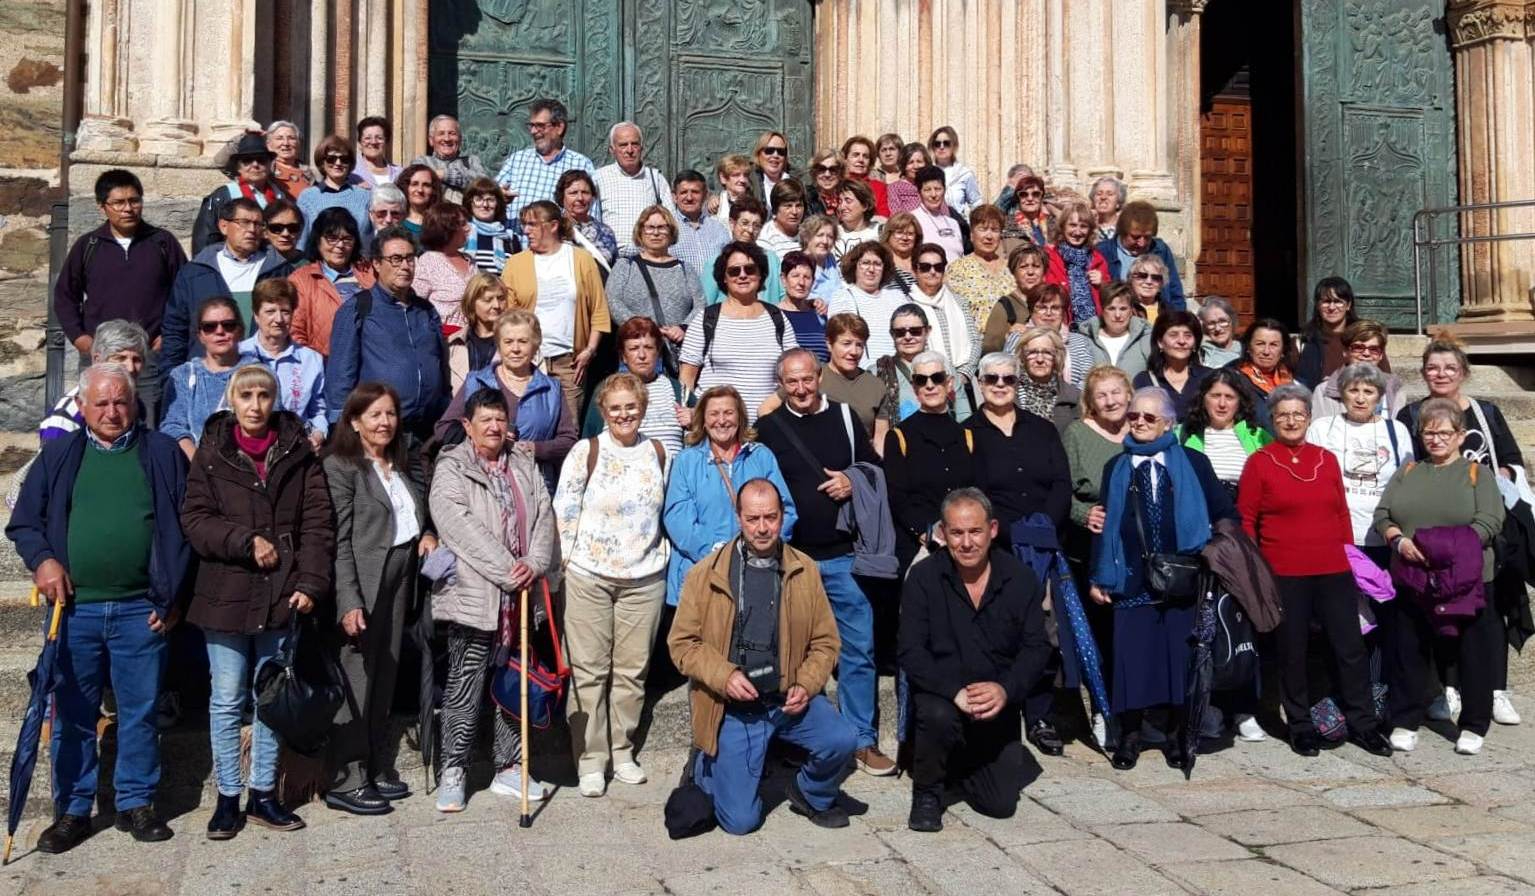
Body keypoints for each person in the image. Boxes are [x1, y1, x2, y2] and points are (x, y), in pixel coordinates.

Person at [6, 364, 189, 853]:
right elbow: (24, 524)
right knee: (72, 714)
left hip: (140, 610)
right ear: (83, 407)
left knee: (140, 711)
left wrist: (174, 597)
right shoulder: (59, 455)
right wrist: (43, 561)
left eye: (120, 401)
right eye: (101, 403)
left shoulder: (162, 453)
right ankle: (72, 811)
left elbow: (186, 528)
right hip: (74, 611)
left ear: (135, 404)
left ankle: (136, 803)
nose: (112, 411)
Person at [181, 365, 332, 836]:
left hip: (282, 591)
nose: (254, 405)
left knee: (270, 697)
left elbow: (317, 522)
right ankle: (228, 795)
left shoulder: (297, 451)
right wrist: (244, 541)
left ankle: (263, 793)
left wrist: (310, 582)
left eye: (263, 395)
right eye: (245, 395)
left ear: (274, 400)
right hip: (225, 591)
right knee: (227, 698)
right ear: (232, 400)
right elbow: (196, 519)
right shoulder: (212, 451)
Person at [668, 478, 856, 834]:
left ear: (782, 516)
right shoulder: (705, 574)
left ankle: (810, 793)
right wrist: (724, 676)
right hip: (735, 708)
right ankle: (705, 766)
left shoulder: (804, 570)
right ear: (738, 517)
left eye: (770, 517)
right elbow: (682, 644)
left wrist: (807, 683)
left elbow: (826, 642)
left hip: (788, 701)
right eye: (753, 519)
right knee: (740, 822)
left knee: (843, 740)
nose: (762, 527)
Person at [755, 348, 894, 775]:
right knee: (791, 652)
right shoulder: (768, 428)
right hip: (792, 559)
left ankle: (862, 740)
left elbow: (874, 467)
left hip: (844, 555)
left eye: (807, 379)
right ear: (781, 385)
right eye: (791, 382)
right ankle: (798, 738)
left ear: (819, 377)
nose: (800, 389)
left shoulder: (846, 417)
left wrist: (851, 480)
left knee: (858, 650)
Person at [1237, 384, 1394, 758]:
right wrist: (1257, 571)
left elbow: (1341, 513)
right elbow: (1247, 520)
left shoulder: (1325, 459)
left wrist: (1349, 560)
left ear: (1309, 417)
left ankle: (1363, 723)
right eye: (1283, 415)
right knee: (1293, 651)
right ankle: (1300, 725)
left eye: (1298, 414)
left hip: (1333, 569)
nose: (1291, 420)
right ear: (1273, 420)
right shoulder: (1260, 462)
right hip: (1285, 573)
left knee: (1349, 648)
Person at [1088, 387, 1238, 770]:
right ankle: (1130, 735)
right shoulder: (1116, 466)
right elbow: (1105, 525)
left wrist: (1214, 552)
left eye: (1148, 417)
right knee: (1131, 658)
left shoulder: (1193, 462)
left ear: (1168, 423)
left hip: (1182, 578)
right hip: (1131, 576)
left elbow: (1224, 512)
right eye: (1133, 416)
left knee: (1177, 657)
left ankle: (1175, 735)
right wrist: (1099, 576)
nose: (1139, 422)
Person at [428, 387, 555, 811]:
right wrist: (508, 570)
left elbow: (544, 515)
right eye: (485, 419)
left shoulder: (522, 462)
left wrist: (535, 562)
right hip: (475, 593)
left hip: (520, 597)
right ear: (468, 425)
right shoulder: (453, 466)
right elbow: (457, 526)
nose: (494, 427)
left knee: (513, 681)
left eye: (500, 419)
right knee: (465, 684)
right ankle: (454, 768)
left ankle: (510, 765)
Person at [901, 488, 1049, 831]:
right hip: (944, 696)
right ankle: (927, 791)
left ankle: (958, 763)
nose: (967, 543)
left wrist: (1005, 690)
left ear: (992, 530)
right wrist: (954, 691)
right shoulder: (923, 578)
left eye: (975, 531)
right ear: (943, 533)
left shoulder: (1020, 579)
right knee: (936, 715)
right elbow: (910, 650)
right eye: (957, 533)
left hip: (996, 701)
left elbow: (1036, 648)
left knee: (999, 805)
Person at [554, 373, 672, 797]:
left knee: (632, 671)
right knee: (589, 672)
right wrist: (566, 565)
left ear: (642, 408)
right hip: (589, 576)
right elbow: (564, 510)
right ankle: (590, 759)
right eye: (615, 407)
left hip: (644, 578)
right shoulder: (585, 451)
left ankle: (622, 750)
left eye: (631, 406)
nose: (624, 414)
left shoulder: (658, 453)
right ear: (603, 411)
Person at [1375, 398, 1507, 756]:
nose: (1436, 439)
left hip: (1466, 580)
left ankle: (1474, 725)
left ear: (1461, 435)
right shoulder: (1408, 471)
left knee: (1472, 653)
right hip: (1413, 575)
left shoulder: (1477, 474)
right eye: (1429, 433)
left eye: (1444, 433)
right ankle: (1405, 720)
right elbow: (1383, 514)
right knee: (1410, 650)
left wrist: (1442, 549)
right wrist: (1398, 541)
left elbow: (1489, 522)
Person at [964, 350, 1072, 755]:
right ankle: (1002, 715)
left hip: (1044, 546)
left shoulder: (1042, 429)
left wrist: (1043, 528)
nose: (1000, 386)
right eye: (991, 379)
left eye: (1008, 379)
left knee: (1042, 633)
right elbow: (973, 494)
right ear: (979, 383)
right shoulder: (968, 433)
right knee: (1000, 633)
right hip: (999, 547)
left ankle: (1041, 714)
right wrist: (1011, 533)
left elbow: (1061, 482)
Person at [54, 169, 187, 422]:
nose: (128, 209)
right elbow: (64, 296)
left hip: (147, 358)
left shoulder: (162, 243)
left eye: (134, 201)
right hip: (101, 357)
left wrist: (166, 336)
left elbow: (183, 295)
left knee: (148, 421)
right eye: (118, 203)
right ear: (102, 207)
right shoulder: (88, 246)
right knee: (103, 417)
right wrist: (81, 339)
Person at [664, 385, 797, 606]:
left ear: (740, 417)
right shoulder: (686, 461)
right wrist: (721, 554)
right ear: (703, 420)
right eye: (714, 414)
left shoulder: (761, 457)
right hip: (701, 572)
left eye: (728, 413)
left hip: (756, 573)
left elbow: (786, 510)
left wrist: (759, 550)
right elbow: (678, 520)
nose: (721, 420)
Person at [325, 227, 450, 443]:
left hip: (427, 433)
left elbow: (441, 365)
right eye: (396, 259)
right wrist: (343, 430)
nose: (405, 266)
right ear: (376, 263)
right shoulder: (358, 309)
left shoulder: (426, 310)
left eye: (410, 258)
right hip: (378, 435)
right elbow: (340, 377)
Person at [436, 309, 578, 493]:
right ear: (499, 345)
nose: (515, 349)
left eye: (523, 341)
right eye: (508, 342)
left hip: (535, 487)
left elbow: (568, 441)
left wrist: (532, 449)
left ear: (535, 346)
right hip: (482, 485)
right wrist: (485, 439)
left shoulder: (552, 389)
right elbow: (443, 429)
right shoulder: (477, 382)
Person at [501, 200, 611, 419]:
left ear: (553, 226)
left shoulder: (581, 259)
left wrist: (589, 350)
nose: (526, 231)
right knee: (529, 424)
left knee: (570, 427)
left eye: (533, 224)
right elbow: (508, 317)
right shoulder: (515, 264)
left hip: (570, 363)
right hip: (529, 360)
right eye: (525, 225)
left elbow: (598, 310)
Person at [163, 197, 290, 372]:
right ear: (223, 226)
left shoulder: (280, 271)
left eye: (258, 224)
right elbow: (175, 329)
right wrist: (171, 376)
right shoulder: (195, 273)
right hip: (208, 373)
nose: (252, 230)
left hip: (264, 374)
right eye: (244, 222)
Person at [679, 241, 797, 424]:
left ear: (760, 274)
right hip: (717, 428)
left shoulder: (778, 318)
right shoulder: (706, 319)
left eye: (750, 269)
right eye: (734, 271)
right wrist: (690, 411)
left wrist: (771, 407)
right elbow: (687, 376)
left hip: (766, 427)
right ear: (724, 278)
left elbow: (794, 372)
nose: (742, 275)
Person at [882, 352, 976, 569]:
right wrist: (926, 533)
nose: (930, 385)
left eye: (937, 378)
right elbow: (898, 496)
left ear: (949, 383)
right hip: (920, 546)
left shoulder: (966, 436)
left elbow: (975, 490)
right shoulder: (899, 436)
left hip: (964, 545)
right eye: (921, 380)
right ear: (914, 388)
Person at [1308, 363, 1413, 556]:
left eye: (1369, 392)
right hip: (1335, 535)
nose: (1360, 399)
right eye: (1353, 390)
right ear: (1342, 393)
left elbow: (1406, 482)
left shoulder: (1397, 430)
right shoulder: (1322, 428)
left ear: (1379, 396)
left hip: (1382, 536)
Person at [160, 297, 255, 457]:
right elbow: (172, 426)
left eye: (228, 325)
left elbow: (271, 423)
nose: (220, 331)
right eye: (210, 327)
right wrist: (200, 463)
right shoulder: (182, 376)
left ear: (240, 330)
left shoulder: (259, 373)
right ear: (200, 335)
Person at [580, 316, 689, 455]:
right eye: (634, 348)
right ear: (623, 356)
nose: (642, 355)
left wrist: (694, 419)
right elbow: (589, 443)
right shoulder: (606, 390)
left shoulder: (677, 390)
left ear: (658, 352)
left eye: (648, 347)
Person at [605, 206, 705, 356]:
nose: (656, 233)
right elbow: (613, 301)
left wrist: (684, 327)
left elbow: (700, 304)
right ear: (640, 231)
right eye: (650, 227)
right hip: (638, 350)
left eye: (662, 227)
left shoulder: (685, 269)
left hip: (678, 350)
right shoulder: (625, 266)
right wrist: (644, 330)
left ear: (671, 231)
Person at [239, 279, 328, 447]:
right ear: (256, 315)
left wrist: (318, 434)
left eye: (285, 311)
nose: (278, 319)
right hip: (247, 447)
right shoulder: (239, 355)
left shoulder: (311, 360)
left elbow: (318, 411)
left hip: (295, 446)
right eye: (270, 311)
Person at [38, 320, 149, 444]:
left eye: (136, 360)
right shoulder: (68, 413)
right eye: (120, 358)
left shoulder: (136, 404)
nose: (130, 368)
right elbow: (53, 455)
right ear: (97, 359)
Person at [497, 98, 599, 228]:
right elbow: (491, 195)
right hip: (514, 239)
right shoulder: (517, 160)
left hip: (559, 240)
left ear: (559, 127)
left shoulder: (581, 164)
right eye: (531, 126)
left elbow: (590, 217)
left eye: (540, 126)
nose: (533, 131)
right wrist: (499, 197)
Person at [289, 207, 375, 357]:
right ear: (318, 240)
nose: (340, 245)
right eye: (332, 238)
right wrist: (314, 364)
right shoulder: (301, 280)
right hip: (326, 364)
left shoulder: (370, 273)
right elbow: (295, 332)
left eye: (347, 239)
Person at [1178, 367, 1273, 498]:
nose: (1222, 404)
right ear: (1203, 398)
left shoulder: (1259, 437)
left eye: (1229, 397)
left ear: (1239, 401)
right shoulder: (1183, 434)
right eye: (1215, 396)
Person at [875, 305, 973, 427]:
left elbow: (964, 416)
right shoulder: (878, 372)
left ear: (927, 331)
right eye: (900, 333)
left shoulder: (945, 368)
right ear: (892, 335)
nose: (908, 337)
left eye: (915, 331)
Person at [192, 133, 278, 254]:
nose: (255, 165)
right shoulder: (223, 196)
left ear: (269, 165)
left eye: (261, 160)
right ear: (238, 167)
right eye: (247, 160)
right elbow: (205, 241)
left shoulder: (280, 194)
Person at [827, 241, 907, 366]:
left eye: (877, 264)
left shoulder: (898, 297)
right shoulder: (843, 297)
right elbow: (845, 341)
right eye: (865, 263)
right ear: (854, 266)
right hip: (864, 371)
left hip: (900, 370)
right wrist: (869, 373)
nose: (871, 269)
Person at [1096, 201, 1186, 310]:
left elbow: (1175, 291)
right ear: (1123, 232)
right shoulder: (1104, 251)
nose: (1141, 243)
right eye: (1135, 237)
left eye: (1147, 237)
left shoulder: (1160, 249)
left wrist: (1178, 317)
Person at [593, 121, 672, 248]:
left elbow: (670, 221)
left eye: (634, 144)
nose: (629, 150)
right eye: (623, 145)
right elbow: (593, 220)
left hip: (648, 256)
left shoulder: (656, 179)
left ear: (642, 148)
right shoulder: (599, 178)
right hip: (611, 256)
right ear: (612, 150)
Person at [907, 243, 979, 375]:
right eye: (925, 267)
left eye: (938, 267)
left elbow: (975, 340)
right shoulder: (907, 305)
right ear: (914, 270)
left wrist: (964, 375)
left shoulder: (959, 301)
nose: (932, 272)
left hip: (964, 376)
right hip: (926, 379)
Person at [1312, 319, 1403, 420]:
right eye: (1358, 348)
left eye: (1373, 349)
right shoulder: (1324, 391)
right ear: (1345, 351)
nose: (1366, 354)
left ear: (1381, 355)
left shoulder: (1393, 388)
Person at [701, 196, 785, 305]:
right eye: (745, 223)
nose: (750, 230)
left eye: (756, 226)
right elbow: (706, 303)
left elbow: (783, 297)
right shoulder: (715, 262)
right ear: (732, 224)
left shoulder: (771, 260)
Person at [1132, 310, 1211, 421]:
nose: (1182, 341)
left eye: (1188, 336)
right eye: (1173, 335)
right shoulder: (1145, 381)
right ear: (1160, 342)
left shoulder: (1209, 377)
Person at [945, 205, 1016, 327]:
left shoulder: (1012, 267)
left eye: (994, 230)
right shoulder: (957, 269)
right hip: (975, 336)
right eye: (983, 229)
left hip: (1013, 336)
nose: (989, 236)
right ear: (972, 235)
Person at [295, 135, 373, 245]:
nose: (338, 163)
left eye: (344, 159)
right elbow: (301, 242)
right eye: (331, 159)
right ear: (322, 162)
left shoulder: (365, 196)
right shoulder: (307, 197)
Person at [1017, 283, 1097, 389]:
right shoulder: (1018, 338)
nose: (1048, 313)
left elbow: (1088, 380)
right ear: (1031, 310)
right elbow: (1010, 375)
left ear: (1063, 311)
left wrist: (1069, 397)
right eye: (1042, 307)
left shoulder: (1079, 341)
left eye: (1055, 308)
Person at [1044, 200, 1110, 326]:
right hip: (1062, 325)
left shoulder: (1097, 259)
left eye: (1083, 226)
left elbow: (1110, 296)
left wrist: (1103, 283)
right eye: (1072, 225)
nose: (1078, 232)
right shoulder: (1049, 257)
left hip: (1094, 326)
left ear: (1090, 230)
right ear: (1063, 227)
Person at [412, 201, 476, 328]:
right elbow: (415, 305)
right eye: (462, 224)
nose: (468, 228)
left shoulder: (470, 261)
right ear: (447, 228)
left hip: (473, 335)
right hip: (443, 335)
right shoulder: (428, 262)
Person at [980, 244, 1046, 354]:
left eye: (1036, 266)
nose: (1030, 272)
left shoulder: (1051, 302)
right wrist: (1008, 336)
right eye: (1023, 267)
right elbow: (988, 350)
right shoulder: (1005, 306)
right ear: (1013, 272)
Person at [447, 273, 508, 391]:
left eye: (501, 299)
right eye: (488, 300)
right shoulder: (453, 344)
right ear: (472, 303)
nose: (496, 305)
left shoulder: (519, 343)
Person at [410, 114, 489, 205]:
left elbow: (484, 185)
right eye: (441, 133)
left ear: (460, 139)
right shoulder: (422, 162)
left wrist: (446, 175)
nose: (447, 139)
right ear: (431, 140)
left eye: (452, 133)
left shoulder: (471, 161)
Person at [1015, 327, 1082, 434]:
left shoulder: (1074, 397)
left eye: (1047, 353)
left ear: (1057, 356)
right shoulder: (1009, 393)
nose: (1040, 359)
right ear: (1022, 356)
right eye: (1032, 352)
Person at [1296, 276, 1358, 387]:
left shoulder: (1364, 340)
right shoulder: (1305, 340)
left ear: (1348, 305)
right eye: (1326, 301)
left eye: (1338, 302)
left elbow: (1384, 380)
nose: (1332, 307)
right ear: (1318, 305)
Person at [1084, 282, 1153, 380]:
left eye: (1123, 309)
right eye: (1111, 309)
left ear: (1131, 311)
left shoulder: (1146, 338)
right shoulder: (1086, 339)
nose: (1117, 315)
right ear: (1102, 310)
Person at [669, 169, 732, 276]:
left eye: (695, 192)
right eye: (684, 192)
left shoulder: (719, 229)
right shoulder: (667, 228)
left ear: (705, 195)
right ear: (675, 197)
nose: (689, 198)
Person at [1231, 317, 1299, 411]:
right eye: (1260, 344)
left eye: (1273, 345)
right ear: (1248, 347)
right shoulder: (1233, 379)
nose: (1266, 351)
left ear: (1283, 350)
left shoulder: (1295, 380)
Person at [558, 168, 618, 271]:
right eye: (573, 193)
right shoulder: (554, 229)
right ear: (561, 197)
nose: (580, 198)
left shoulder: (605, 232)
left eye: (585, 192)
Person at [776, 250, 830, 361]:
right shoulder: (773, 316)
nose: (801, 282)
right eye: (795, 276)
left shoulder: (820, 313)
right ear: (784, 279)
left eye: (807, 277)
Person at [462, 177, 521, 275]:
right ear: (470, 203)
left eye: (490, 200)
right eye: (479, 199)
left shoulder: (510, 239)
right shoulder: (461, 234)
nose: (485, 205)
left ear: (498, 204)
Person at [912, 165, 970, 262]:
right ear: (919, 193)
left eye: (938, 189)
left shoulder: (953, 223)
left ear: (944, 190)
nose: (933, 195)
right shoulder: (913, 220)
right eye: (927, 190)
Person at [928, 126, 981, 216]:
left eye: (946, 143)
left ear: (954, 146)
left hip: (957, 222)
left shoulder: (964, 174)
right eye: (937, 144)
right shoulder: (926, 173)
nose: (941, 147)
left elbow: (976, 203)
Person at [797, 214, 845, 301]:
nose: (825, 241)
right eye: (820, 235)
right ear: (807, 237)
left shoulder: (830, 259)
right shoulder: (799, 264)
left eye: (830, 237)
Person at [840, 135, 890, 217]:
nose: (861, 160)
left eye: (865, 156)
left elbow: (883, 218)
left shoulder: (879, 188)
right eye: (856, 155)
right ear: (845, 159)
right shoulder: (836, 186)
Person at [746, 130, 798, 209]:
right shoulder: (748, 181)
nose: (775, 155)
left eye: (781, 152)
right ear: (759, 154)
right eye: (769, 151)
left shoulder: (798, 181)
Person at [1001, 174, 1052, 252]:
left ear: (1041, 197)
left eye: (1036, 194)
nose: (1030, 198)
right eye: (1023, 194)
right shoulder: (1007, 226)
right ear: (1018, 198)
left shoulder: (1053, 224)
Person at [759, 179, 807, 259]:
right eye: (788, 206)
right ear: (776, 208)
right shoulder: (765, 239)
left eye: (798, 206)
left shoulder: (808, 233)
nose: (794, 212)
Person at [833, 178, 882, 258]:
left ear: (865, 205)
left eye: (848, 201)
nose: (842, 207)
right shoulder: (833, 233)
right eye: (840, 201)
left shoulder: (880, 232)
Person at [266, 121, 314, 200]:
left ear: (299, 144)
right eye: (279, 138)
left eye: (291, 138)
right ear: (269, 145)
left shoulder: (310, 173)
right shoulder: (267, 172)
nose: (286, 143)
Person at [353, 116, 402, 187]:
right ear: (359, 143)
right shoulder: (351, 172)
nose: (373, 142)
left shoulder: (399, 173)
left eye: (379, 138)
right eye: (367, 138)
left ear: (387, 142)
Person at [395, 164, 442, 236]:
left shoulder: (441, 224)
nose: (420, 190)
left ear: (433, 190)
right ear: (405, 187)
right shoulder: (394, 222)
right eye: (414, 184)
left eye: (426, 185)